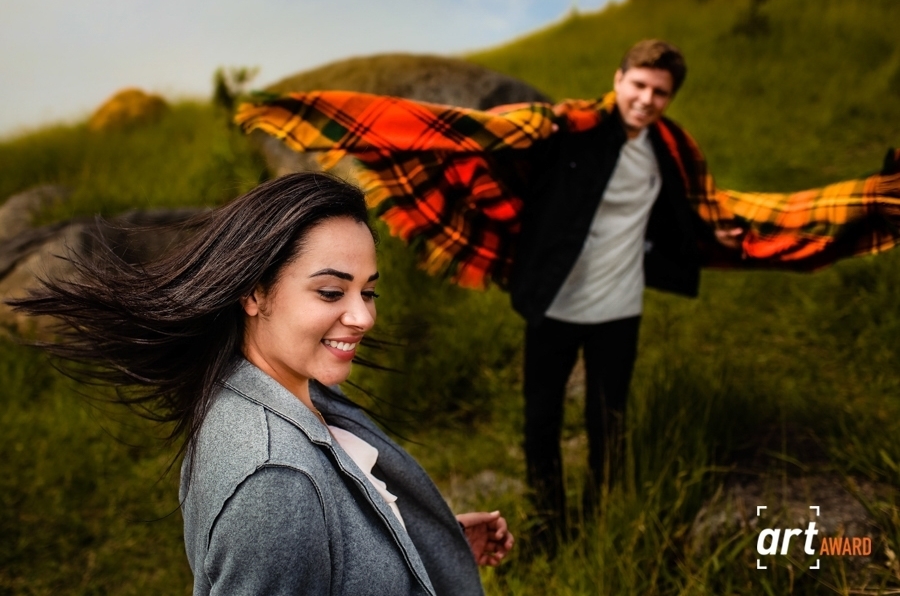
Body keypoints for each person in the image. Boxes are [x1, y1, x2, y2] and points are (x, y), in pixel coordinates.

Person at [233, 41, 900, 541]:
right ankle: (551, 520)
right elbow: (473, 134)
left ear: (669, 98)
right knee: (542, 420)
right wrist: (336, 119)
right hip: (553, 305)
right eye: (639, 85)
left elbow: (713, 213)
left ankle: (603, 511)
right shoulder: (566, 130)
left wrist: (828, 210)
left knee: (610, 419)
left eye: (660, 92)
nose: (646, 100)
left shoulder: (671, 152)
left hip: (619, 310)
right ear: (620, 80)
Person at [10, 172, 513, 595]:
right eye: (331, 291)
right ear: (254, 293)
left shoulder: (263, 390)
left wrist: (413, 542)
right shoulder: (274, 481)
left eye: (368, 292)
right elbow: (285, 525)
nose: (362, 316)